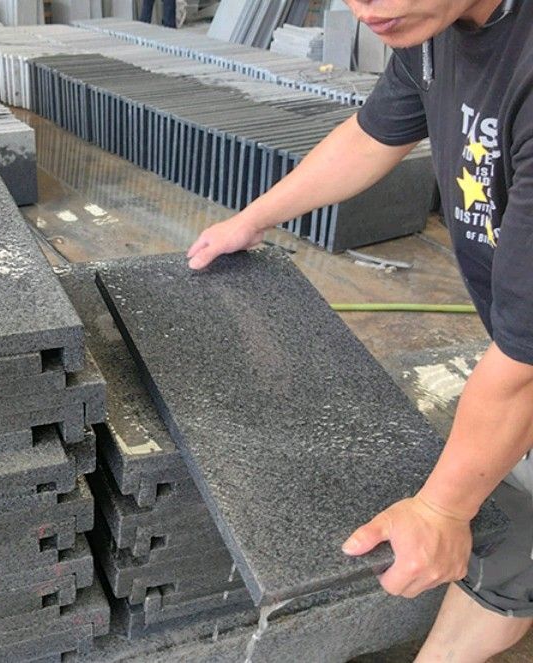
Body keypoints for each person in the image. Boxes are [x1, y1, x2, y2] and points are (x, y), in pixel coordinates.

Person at [188, 0, 533, 660]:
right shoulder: (432, 26)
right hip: (519, 342)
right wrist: (254, 218)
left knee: (500, 523)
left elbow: (523, 365)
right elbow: (372, 134)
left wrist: (442, 509)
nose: (363, 8)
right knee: (501, 510)